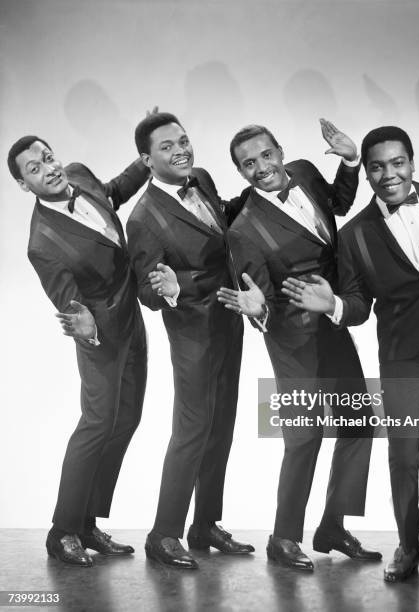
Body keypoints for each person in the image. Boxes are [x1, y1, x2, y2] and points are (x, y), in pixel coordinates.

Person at [282, 127, 419, 593]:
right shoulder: (355, 234)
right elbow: (359, 305)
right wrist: (334, 307)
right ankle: (408, 546)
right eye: (378, 166)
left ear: (411, 162)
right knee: (403, 454)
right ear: (366, 172)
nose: (390, 174)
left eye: (397, 162)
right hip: (404, 355)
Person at [217, 121, 379, 571]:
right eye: (248, 164)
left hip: (333, 321)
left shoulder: (306, 172)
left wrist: (351, 161)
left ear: (281, 152)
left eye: (266, 156)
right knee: (304, 437)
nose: (261, 168)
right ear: (241, 171)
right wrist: (256, 310)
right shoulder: (244, 230)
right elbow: (261, 299)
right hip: (292, 341)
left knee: (359, 425)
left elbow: (340, 204)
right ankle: (283, 538)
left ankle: (332, 526)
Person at [7, 134, 149, 567]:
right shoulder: (42, 242)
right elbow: (68, 301)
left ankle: (88, 523)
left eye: (47, 158)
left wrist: (144, 162)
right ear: (24, 185)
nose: (48, 168)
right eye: (34, 168)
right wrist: (83, 324)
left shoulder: (80, 175)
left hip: (132, 318)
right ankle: (62, 530)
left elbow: (112, 194)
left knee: (126, 420)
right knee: (96, 425)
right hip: (99, 336)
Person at [126, 112, 253, 570]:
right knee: (192, 431)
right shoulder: (142, 218)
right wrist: (171, 288)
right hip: (192, 335)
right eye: (166, 146)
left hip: (230, 322)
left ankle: (205, 525)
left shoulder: (201, 178)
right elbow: (145, 290)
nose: (181, 150)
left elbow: (220, 229)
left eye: (183, 140)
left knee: (222, 427)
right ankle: (163, 534)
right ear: (146, 159)